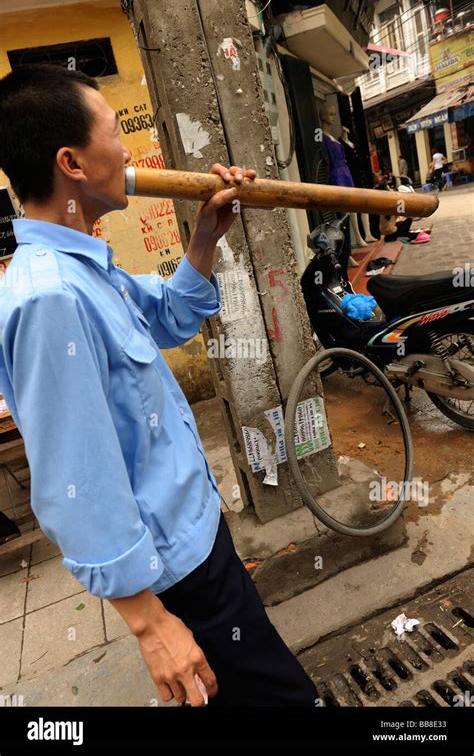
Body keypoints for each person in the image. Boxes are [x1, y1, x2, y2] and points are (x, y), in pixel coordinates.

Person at [0, 65, 318, 708]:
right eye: (114, 135)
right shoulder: (50, 299)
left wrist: (205, 235)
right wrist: (150, 623)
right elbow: (74, 481)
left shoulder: (88, 266)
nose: (127, 152)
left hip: (199, 539)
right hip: (180, 579)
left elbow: (170, 317)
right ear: (73, 163)